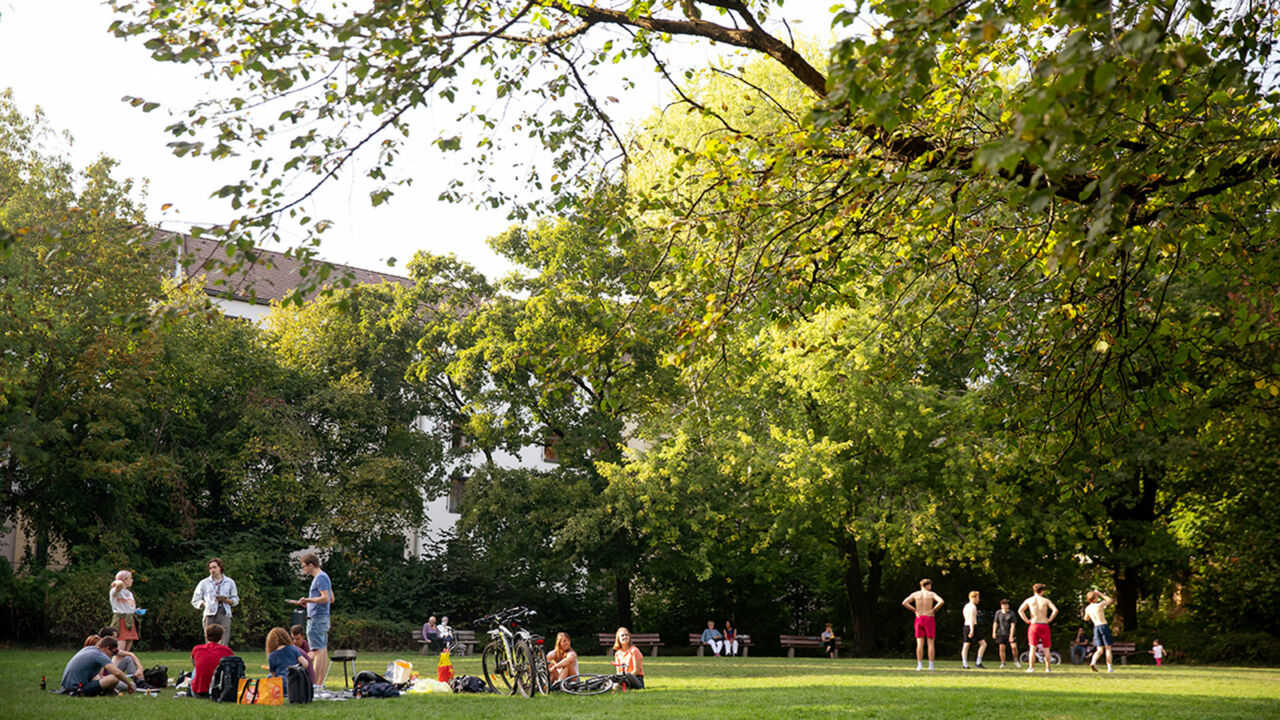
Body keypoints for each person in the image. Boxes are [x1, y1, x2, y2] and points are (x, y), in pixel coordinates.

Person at [287, 552, 332, 691]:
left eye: (304, 566)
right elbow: (331, 598)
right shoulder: (324, 577)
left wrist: (307, 600)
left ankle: (316, 685)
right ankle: (319, 683)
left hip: (317, 619)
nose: (304, 570)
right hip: (322, 617)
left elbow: (326, 598)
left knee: (318, 652)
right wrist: (310, 604)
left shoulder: (320, 578)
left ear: (311, 565)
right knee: (322, 650)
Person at [60, 636, 135, 696]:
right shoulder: (99, 654)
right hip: (76, 689)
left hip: (66, 687)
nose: (111, 655)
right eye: (112, 653)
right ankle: (109, 694)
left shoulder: (88, 649)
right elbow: (117, 673)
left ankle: (110, 693)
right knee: (114, 678)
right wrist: (129, 685)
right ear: (106, 648)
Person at [191, 557, 239, 645]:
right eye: (210, 568)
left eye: (214, 567)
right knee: (209, 640)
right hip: (210, 613)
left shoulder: (230, 582)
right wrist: (205, 604)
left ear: (220, 567)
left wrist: (226, 600)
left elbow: (236, 600)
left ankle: (223, 658)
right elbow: (195, 600)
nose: (212, 570)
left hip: (224, 612)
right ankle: (210, 657)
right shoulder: (204, 583)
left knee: (224, 640)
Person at [903, 578, 945, 671]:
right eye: (930, 585)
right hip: (929, 617)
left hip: (919, 618)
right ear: (927, 585)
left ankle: (919, 665)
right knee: (930, 643)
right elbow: (941, 601)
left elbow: (904, 602)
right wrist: (933, 610)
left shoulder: (915, 594)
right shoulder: (931, 594)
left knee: (919, 643)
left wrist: (914, 610)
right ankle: (931, 665)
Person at [1017, 583, 1059, 673]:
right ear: (1042, 591)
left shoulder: (1029, 600)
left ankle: (1031, 667)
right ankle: (1048, 668)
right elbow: (1055, 610)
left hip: (1034, 624)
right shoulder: (1045, 600)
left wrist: (1026, 620)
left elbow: (1020, 610)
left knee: (1032, 647)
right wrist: (1049, 619)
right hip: (1044, 624)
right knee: (1046, 648)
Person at [190, 623, 235, 697]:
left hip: (199, 691)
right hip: (219, 691)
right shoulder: (227, 651)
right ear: (221, 637)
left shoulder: (197, 649)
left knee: (196, 669)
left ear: (206, 636)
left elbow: (194, 663)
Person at [266, 626, 310, 695]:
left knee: (269, 676)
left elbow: (273, 676)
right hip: (296, 685)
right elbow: (305, 664)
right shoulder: (293, 648)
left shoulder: (272, 655)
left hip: (282, 686)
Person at [109, 570, 140, 652]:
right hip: (121, 620)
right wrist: (118, 580)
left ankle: (122, 664)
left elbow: (129, 606)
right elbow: (119, 585)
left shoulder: (129, 593)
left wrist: (135, 611)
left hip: (129, 621)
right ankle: (113, 664)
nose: (132, 580)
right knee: (119, 650)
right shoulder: (115, 591)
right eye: (130, 578)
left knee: (126, 651)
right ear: (124, 580)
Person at [1085, 590, 1115, 672]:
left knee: (1099, 650)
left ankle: (1093, 662)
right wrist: (1100, 593)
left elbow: (1086, 618)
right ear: (1094, 599)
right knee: (1108, 648)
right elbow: (1110, 600)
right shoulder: (1099, 605)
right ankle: (1109, 668)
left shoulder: (1088, 608)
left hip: (1096, 628)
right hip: (1103, 626)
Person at [962, 590, 988, 669]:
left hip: (965, 626)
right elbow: (972, 619)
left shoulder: (966, 606)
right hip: (972, 626)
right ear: (973, 598)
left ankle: (965, 664)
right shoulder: (973, 607)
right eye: (977, 598)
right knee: (983, 644)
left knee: (966, 645)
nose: (978, 600)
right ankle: (978, 662)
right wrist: (972, 630)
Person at [991, 599, 1020, 668]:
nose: (1004, 606)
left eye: (1006, 605)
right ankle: (1003, 662)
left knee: (1014, 647)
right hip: (1001, 633)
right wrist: (994, 632)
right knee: (1001, 648)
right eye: (1003, 605)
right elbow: (995, 623)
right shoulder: (998, 613)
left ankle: (1016, 660)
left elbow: (1013, 625)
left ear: (1008, 606)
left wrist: (1011, 635)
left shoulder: (1011, 613)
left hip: (1010, 633)